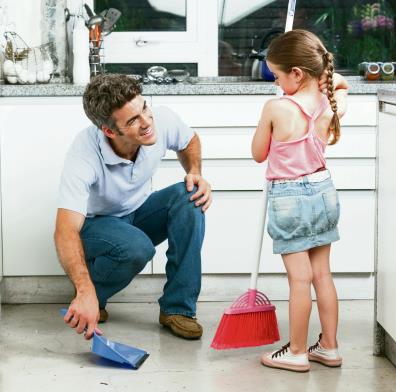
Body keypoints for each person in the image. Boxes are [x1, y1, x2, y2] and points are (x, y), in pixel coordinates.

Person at [54, 74, 212, 341]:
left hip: (139, 211)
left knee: (190, 196)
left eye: (144, 109)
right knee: (136, 247)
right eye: (133, 120)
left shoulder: (159, 120)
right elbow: (65, 231)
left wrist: (195, 171)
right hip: (96, 225)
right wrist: (84, 290)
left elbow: (189, 141)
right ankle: (93, 296)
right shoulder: (84, 154)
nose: (147, 122)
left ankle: (178, 309)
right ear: (109, 131)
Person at [251, 29, 349, 372]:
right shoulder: (329, 103)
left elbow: (258, 154)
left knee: (299, 280)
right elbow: (340, 84)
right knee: (322, 274)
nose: (277, 84)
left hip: (290, 197)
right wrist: (328, 80)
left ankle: (296, 351)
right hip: (324, 191)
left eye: (277, 76)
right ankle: (330, 347)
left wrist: (267, 122)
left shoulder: (276, 107)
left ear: (296, 73)